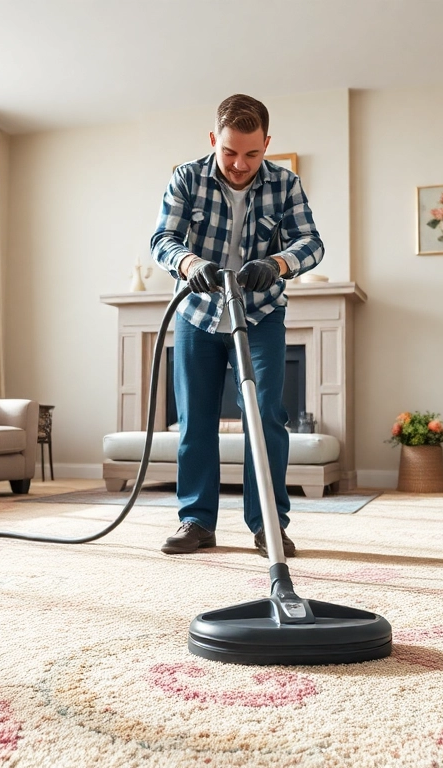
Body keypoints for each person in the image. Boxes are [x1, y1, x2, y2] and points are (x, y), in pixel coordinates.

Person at [149, 94, 325, 556]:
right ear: (214, 140)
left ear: (267, 143)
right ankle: (196, 521)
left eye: (251, 153)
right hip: (198, 313)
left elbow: (311, 242)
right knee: (195, 418)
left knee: (266, 413)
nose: (239, 163)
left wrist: (279, 264)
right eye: (229, 152)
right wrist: (188, 263)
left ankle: (268, 521)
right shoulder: (187, 178)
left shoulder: (285, 184)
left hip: (260, 313)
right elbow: (162, 238)